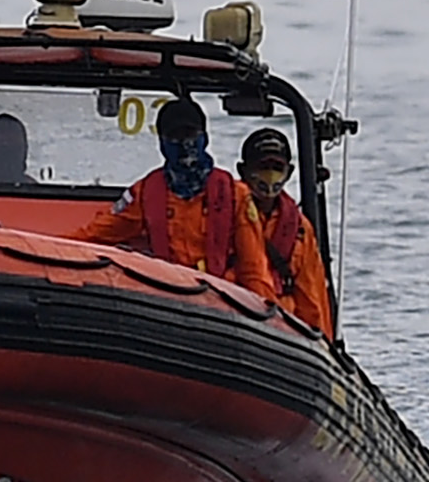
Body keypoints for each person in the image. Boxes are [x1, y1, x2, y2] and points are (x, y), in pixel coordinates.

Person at [83, 91, 281, 299]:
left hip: (219, 298)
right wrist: (59, 249)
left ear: (205, 138)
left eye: (190, 135)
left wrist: (265, 307)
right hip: (167, 297)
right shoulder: (144, 193)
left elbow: (253, 268)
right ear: (162, 143)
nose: (185, 144)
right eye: (175, 137)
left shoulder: (235, 195)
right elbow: (97, 234)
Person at [234, 126, 335, 334]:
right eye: (262, 166)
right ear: (243, 170)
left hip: (284, 329)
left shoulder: (300, 229)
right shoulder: (226, 210)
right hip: (236, 318)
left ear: (289, 172)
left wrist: (321, 339)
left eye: (277, 167)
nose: (270, 174)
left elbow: (311, 294)